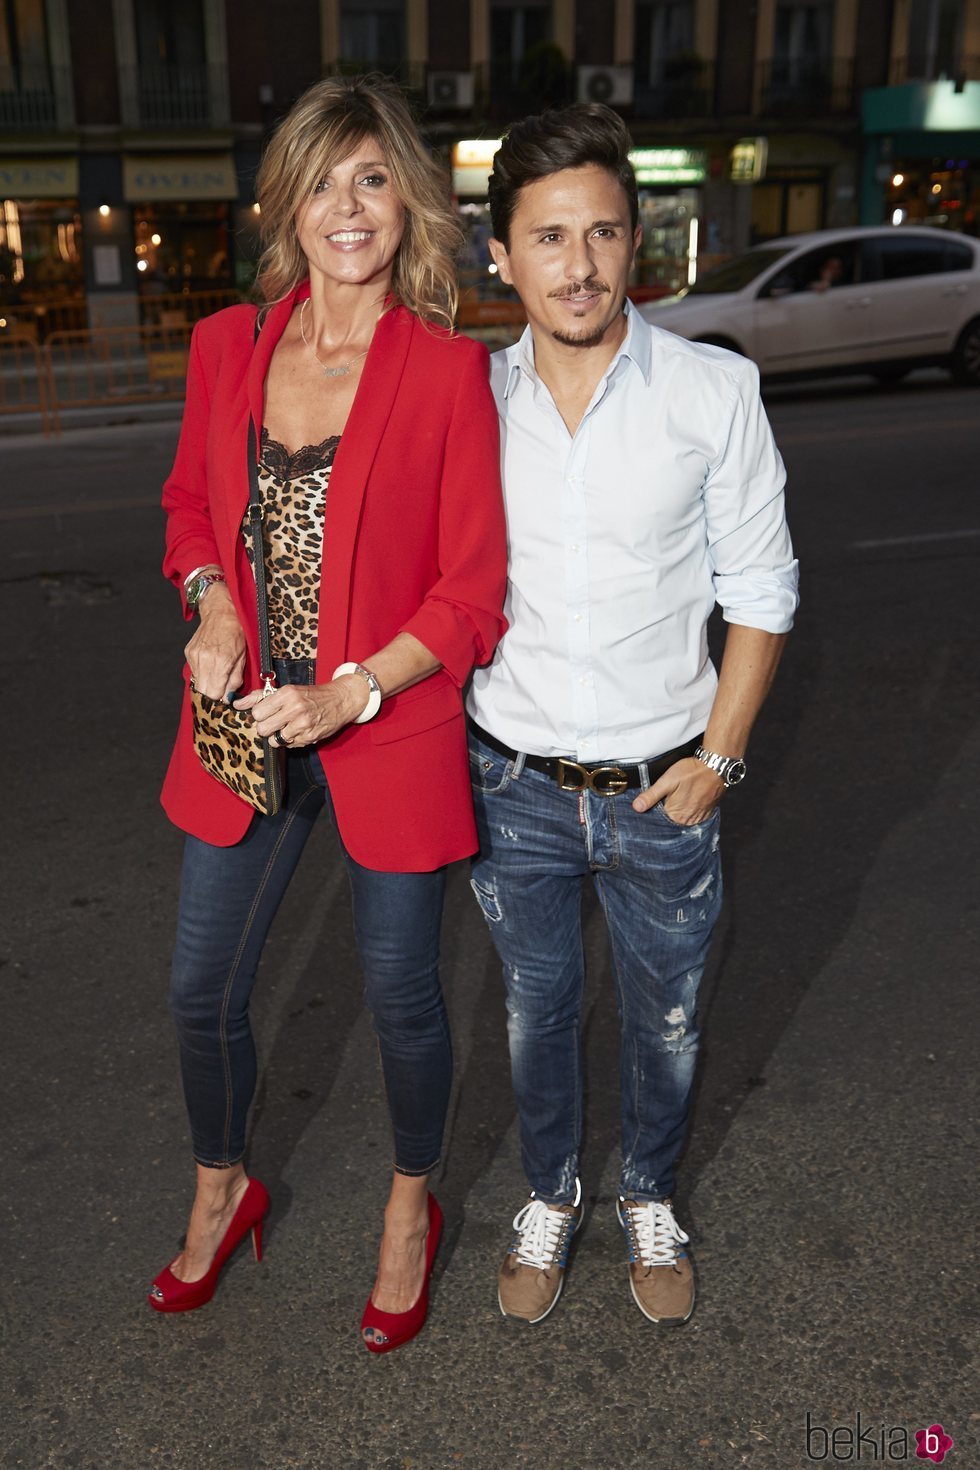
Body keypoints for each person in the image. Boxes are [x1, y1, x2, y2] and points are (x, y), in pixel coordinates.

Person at [150, 74, 507, 1354]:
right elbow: (191, 506)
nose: (344, 208)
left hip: (380, 729)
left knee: (405, 993)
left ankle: (410, 1206)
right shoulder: (226, 348)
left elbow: (470, 595)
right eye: (320, 182)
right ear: (283, 206)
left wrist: (355, 685)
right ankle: (221, 1187)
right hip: (246, 728)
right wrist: (212, 606)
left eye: (370, 180)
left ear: (406, 203)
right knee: (201, 989)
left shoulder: (448, 373)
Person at [466, 104, 798, 1327]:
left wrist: (720, 756)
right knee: (532, 1013)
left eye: (602, 232)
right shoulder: (469, 402)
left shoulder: (712, 390)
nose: (580, 264)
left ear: (634, 241)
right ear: (499, 256)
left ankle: (649, 1189)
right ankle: (550, 1190)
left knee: (667, 1018)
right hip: (510, 782)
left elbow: (761, 593)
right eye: (548, 237)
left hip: (668, 784)